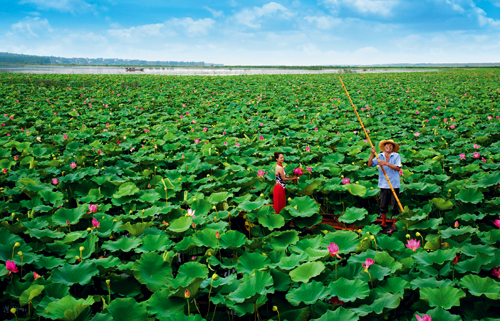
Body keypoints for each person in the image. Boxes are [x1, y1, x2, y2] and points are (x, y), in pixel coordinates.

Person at [367, 139, 402, 232]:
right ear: (384, 147)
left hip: (394, 184)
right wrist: (372, 154)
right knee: (383, 205)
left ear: (393, 148)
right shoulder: (379, 156)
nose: (389, 147)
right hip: (383, 184)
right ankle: (383, 223)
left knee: (394, 205)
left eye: (391, 145)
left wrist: (386, 163)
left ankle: (394, 224)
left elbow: (398, 168)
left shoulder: (396, 156)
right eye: (387, 145)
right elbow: (370, 164)